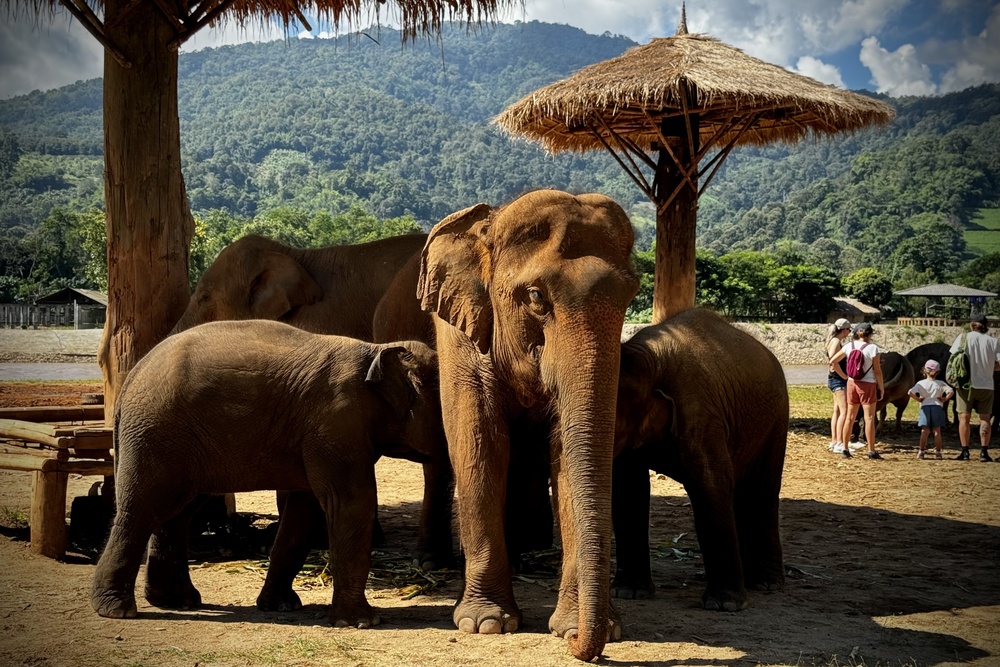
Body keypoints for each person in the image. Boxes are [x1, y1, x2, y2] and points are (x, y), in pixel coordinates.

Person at [949, 313, 1000, 461]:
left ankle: (965, 451)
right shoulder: (993, 341)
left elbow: (954, 359)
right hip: (987, 385)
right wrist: (989, 368)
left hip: (965, 384)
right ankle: (984, 452)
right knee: (985, 418)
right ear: (986, 325)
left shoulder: (963, 338)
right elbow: (999, 365)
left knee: (964, 418)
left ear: (972, 324)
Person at [830, 322, 884, 459]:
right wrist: (881, 388)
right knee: (869, 418)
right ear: (870, 334)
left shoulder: (849, 346)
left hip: (851, 384)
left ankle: (845, 448)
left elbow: (833, 361)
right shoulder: (873, 348)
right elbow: (877, 372)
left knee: (849, 416)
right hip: (868, 385)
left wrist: (845, 376)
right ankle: (871, 450)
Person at [907, 359, 953, 459]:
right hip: (937, 406)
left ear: (925, 371)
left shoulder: (921, 383)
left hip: (925, 407)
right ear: (937, 372)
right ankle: (938, 452)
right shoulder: (940, 383)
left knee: (925, 431)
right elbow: (951, 391)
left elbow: (910, 392)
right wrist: (944, 399)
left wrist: (918, 399)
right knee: (937, 431)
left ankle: (921, 451)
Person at [825, 318, 852, 454]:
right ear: (845, 330)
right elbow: (833, 362)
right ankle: (840, 442)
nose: (850, 333)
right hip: (838, 381)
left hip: (834, 380)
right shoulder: (836, 342)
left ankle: (835, 441)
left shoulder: (834, 341)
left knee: (836, 411)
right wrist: (844, 376)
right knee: (844, 411)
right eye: (849, 330)